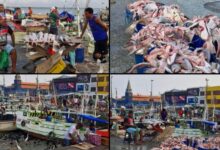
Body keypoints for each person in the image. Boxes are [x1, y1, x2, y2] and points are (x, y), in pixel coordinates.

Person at [0, 4, 17, 73]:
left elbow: (12, 34)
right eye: (2, 19)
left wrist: (13, 43)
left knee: (14, 51)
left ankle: (13, 69)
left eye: (4, 19)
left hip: (5, 44)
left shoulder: (6, 26)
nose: (4, 20)